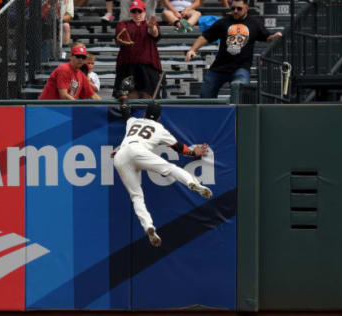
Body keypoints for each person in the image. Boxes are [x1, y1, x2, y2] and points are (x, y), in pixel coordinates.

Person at [112, 102, 213, 247]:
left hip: (121, 155)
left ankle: (148, 226)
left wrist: (123, 98)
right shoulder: (159, 128)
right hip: (139, 151)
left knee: (136, 197)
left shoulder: (133, 121)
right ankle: (194, 183)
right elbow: (179, 148)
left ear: (145, 114)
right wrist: (193, 152)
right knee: (170, 169)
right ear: (159, 118)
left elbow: (125, 111)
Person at [185, 0, 282, 98]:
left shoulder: (254, 23)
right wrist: (192, 49)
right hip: (219, 67)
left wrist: (274, 36)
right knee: (205, 95)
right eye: (233, 8)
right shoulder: (223, 22)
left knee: (240, 95)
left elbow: (267, 37)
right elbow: (205, 37)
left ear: (246, 8)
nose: (235, 11)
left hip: (240, 68)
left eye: (239, 8)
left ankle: (238, 113)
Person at [113, 0, 162, 100]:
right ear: (130, 13)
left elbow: (154, 33)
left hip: (148, 67)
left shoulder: (150, 23)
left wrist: (152, 27)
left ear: (144, 12)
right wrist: (122, 41)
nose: (137, 14)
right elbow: (119, 38)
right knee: (129, 98)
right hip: (128, 66)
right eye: (134, 11)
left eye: (139, 11)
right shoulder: (123, 24)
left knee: (148, 98)